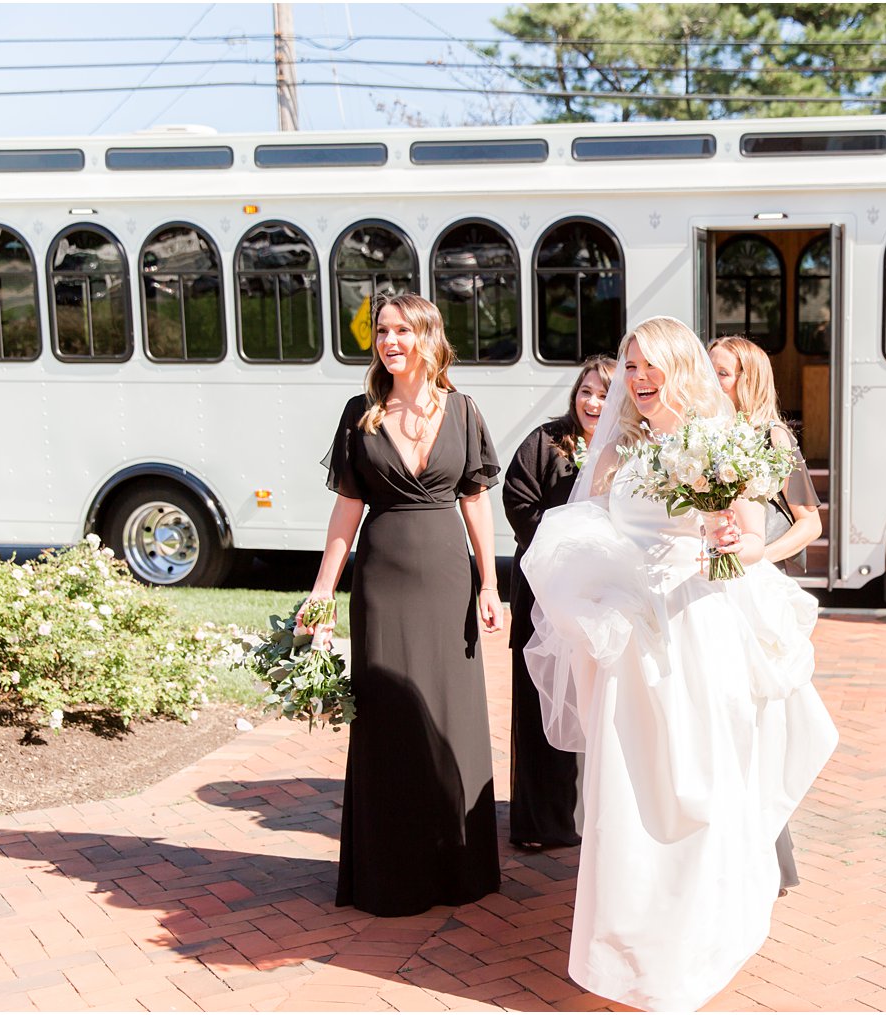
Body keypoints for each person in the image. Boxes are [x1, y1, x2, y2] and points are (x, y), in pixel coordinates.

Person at [520, 316, 838, 1012]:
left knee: (698, 778)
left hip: (697, 622)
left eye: (648, 367)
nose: (636, 381)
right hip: (631, 636)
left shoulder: (719, 445)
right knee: (629, 787)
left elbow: (750, 541)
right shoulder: (616, 454)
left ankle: (696, 935)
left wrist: (723, 542)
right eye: (630, 368)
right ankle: (628, 942)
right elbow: (589, 535)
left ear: (678, 367)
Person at [300, 292, 504, 918]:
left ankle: (457, 866)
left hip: (448, 579)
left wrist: (490, 583)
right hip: (383, 582)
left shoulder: (464, 411)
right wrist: (322, 589)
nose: (389, 342)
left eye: (401, 331)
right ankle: (391, 873)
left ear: (427, 338)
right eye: (382, 332)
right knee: (387, 719)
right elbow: (347, 510)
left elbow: (475, 501)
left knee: (451, 715)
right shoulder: (359, 414)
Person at [708, 335, 824, 897]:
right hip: (705, 587)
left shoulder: (772, 437)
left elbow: (809, 522)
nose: (713, 381)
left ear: (748, 379)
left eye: (723, 373)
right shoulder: (698, 432)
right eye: (708, 371)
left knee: (758, 721)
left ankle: (768, 854)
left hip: (753, 589)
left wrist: (759, 559)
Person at [502, 354, 615, 850]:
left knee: (597, 703)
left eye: (605, 392)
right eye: (586, 390)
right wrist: (561, 551)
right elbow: (518, 501)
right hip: (543, 592)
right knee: (540, 699)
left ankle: (597, 820)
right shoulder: (546, 442)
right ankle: (541, 822)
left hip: (605, 598)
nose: (593, 401)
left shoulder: (635, 450)